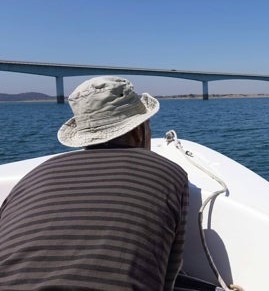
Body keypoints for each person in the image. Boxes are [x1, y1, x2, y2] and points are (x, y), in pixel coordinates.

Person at [0, 76, 189, 290]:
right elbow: (168, 278)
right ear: (139, 131)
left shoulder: (36, 174)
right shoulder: (169, 173)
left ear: (83, 136)